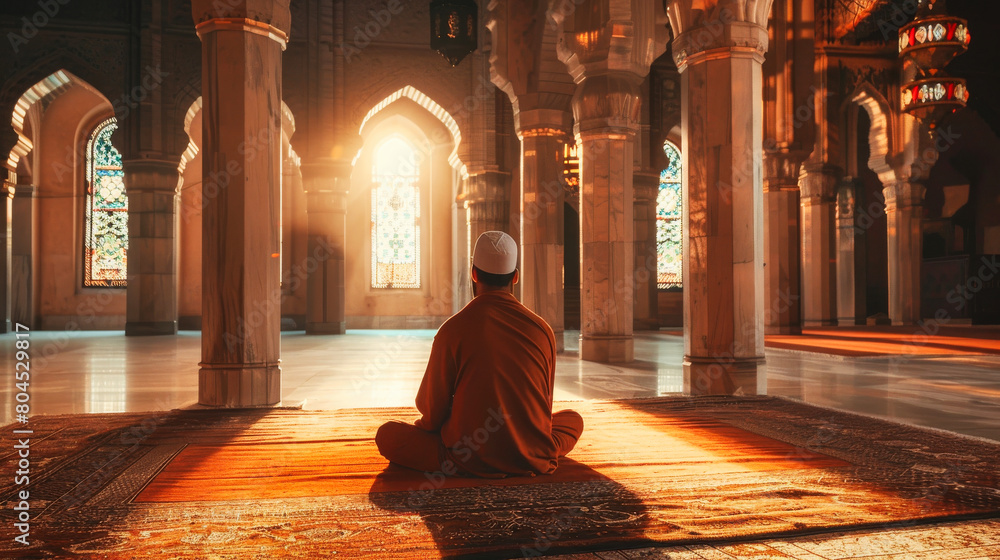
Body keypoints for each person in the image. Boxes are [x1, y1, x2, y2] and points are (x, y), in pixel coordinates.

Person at [375, 231, 584, 478]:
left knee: (387, 435)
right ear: (515, 277)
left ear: (473, 274)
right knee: (573, 420)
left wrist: (445, 427)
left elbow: (431, 414)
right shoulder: (542, 330)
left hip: (467, 457)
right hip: (530, 451)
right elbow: (544, 407)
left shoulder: (452, 329)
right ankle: (537, 452)